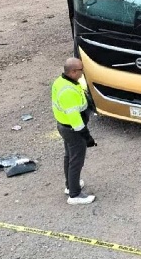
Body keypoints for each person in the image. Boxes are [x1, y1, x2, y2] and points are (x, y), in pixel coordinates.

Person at [51, 57, 97, 204]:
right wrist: (87, 137)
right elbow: (75, 120)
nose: (83, 72)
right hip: (73, 130)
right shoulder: (68, 92)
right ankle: (75, 195)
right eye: (81, 70)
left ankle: (70, 186)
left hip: (64, 126)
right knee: (76, 161)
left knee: (69, 157)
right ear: (73, 72)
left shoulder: (61, 82)